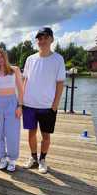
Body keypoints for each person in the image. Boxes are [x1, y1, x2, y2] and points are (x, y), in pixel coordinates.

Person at [22, 27, 66, 174]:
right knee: (31, 134)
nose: (42, 41)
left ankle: (42, 159)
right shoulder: (30, 59)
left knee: (46, 136)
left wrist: (55, 104)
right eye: (39, 38)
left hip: (47, 106)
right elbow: (25, 80)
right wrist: (21, 100)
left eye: (45, 37)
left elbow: (60, 83)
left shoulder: (58, 59)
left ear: (51, 39)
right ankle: (33, 157)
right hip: (29, 104)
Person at [0, 48, 24, 172]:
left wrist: (20, 106)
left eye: (1, 57)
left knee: (12, 133)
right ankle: (2, 158)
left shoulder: (15, 70)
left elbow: (20, 89)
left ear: (5, 57)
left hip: (12, 103)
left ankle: (12, 159)